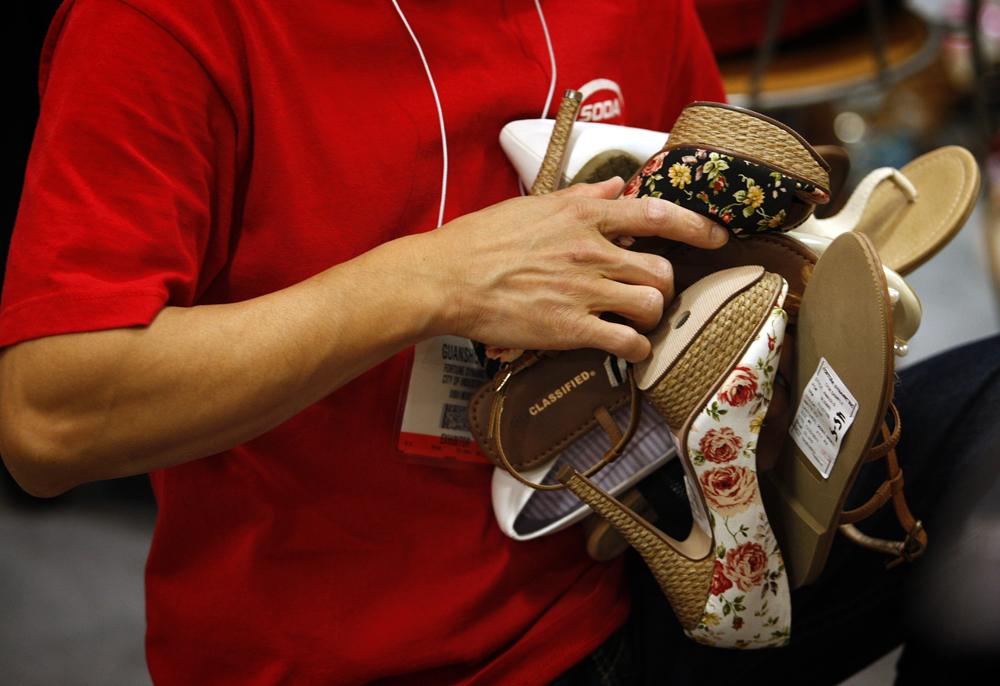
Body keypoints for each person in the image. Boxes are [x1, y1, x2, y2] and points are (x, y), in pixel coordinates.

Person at [0, 1, 731, 684]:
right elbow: (51, 420)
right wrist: (438, 281)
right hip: (309, 653)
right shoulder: (166, 22)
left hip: (605, 603)